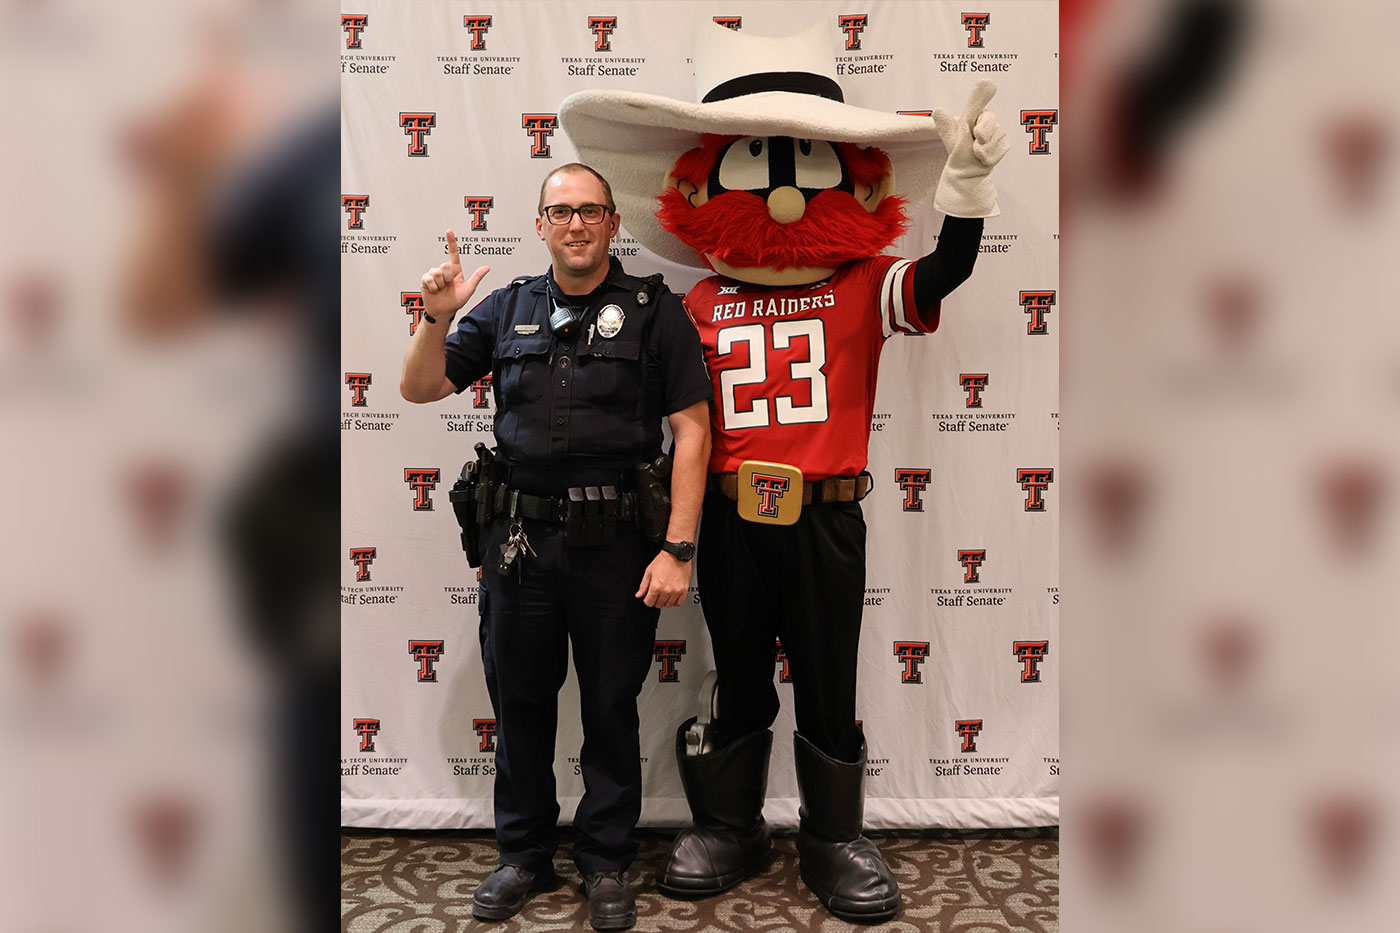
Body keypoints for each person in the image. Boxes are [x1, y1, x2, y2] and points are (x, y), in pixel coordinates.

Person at [560, 22, 1008, 923]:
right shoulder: (698, 299)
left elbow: (946, 270)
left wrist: (965, 190)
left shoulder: (862, 282)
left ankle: (833, 833)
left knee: (828, 672)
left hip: (826, 513)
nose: (783, 198)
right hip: (726, 516)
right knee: (737, 670)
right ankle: (732, 823)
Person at [399, 163, 712, 932]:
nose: (576, 224)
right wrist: (434, 316)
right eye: (561, 211)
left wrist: (677, 547)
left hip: (617, 550)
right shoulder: (506, 308)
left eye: (591, 211)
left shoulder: (652, 310)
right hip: (519, 545)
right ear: (540, 225)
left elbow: (694, 429)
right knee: (522, 706)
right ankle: (524, 854)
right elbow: (419, 387)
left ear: (613, 223)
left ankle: (605, 860)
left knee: (610, 706)